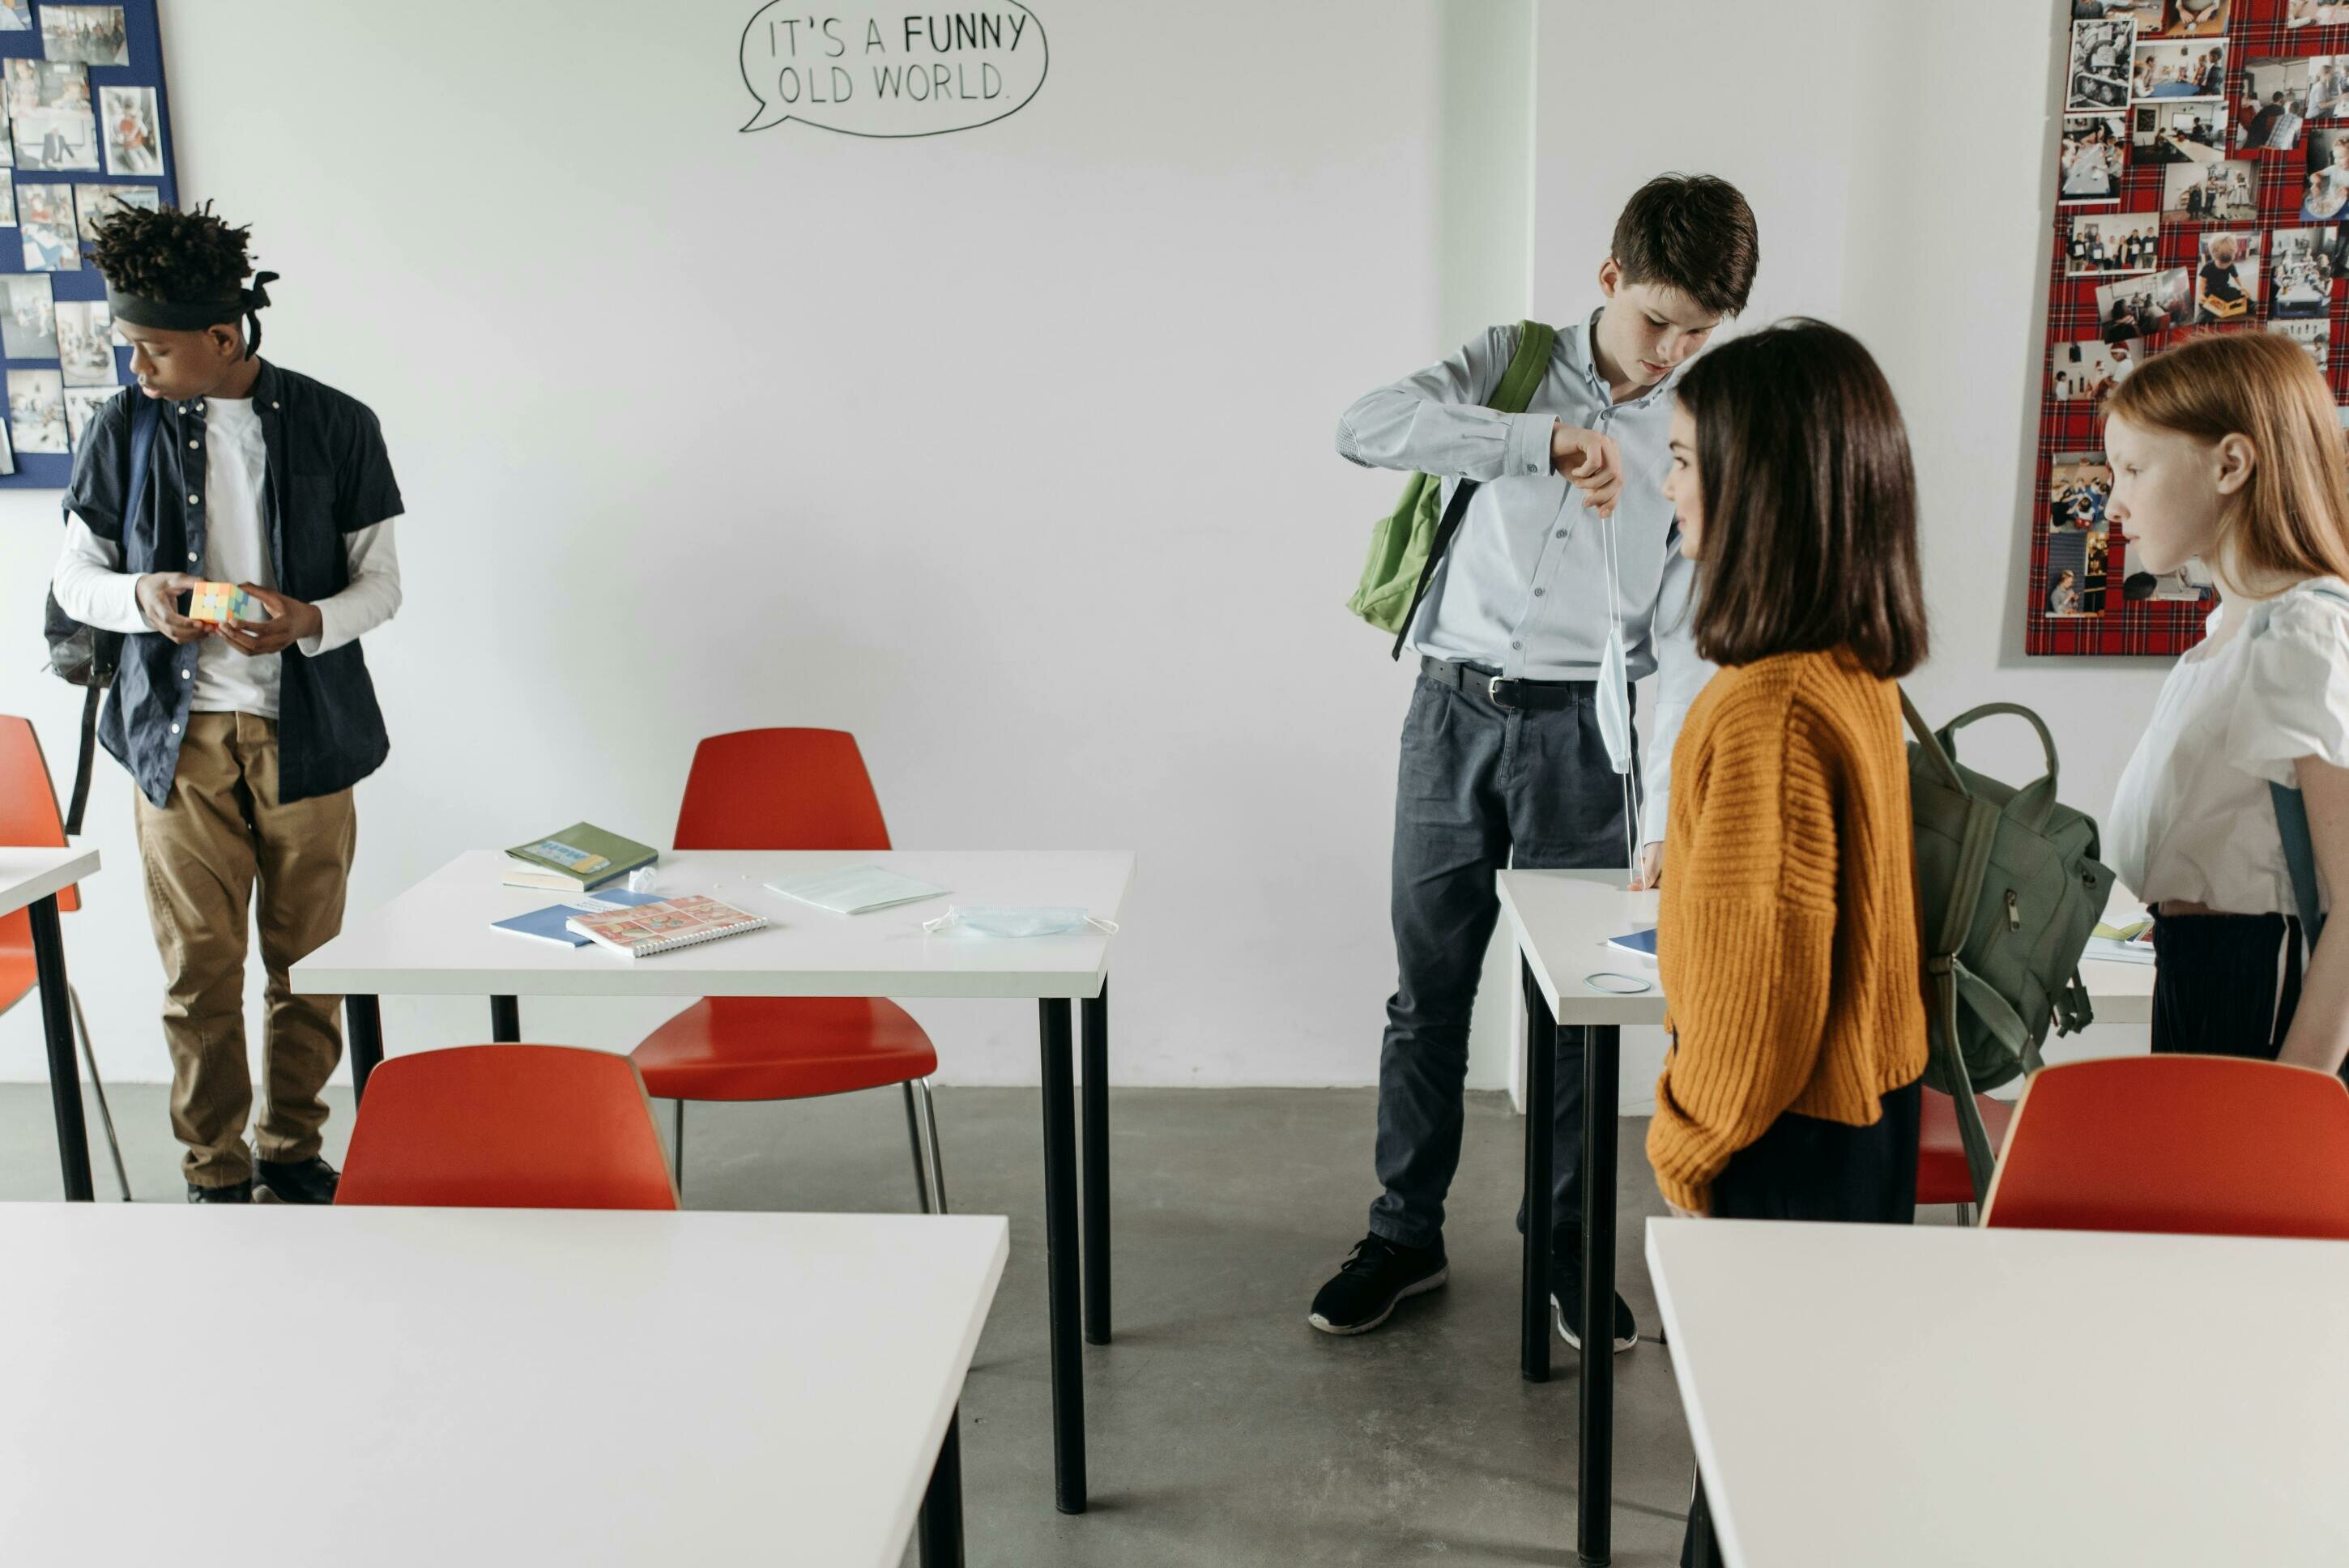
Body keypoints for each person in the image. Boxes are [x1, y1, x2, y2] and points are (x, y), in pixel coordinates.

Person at [1312, 175, 1755, 1347]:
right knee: (1429, 997)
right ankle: (1404, 1233)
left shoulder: (1698, 423)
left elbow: (1681, 632)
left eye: (1700, 334)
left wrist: (1659, 804)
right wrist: (1544, 441)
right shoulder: (1513, 359)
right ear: (1610, 281)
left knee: (1582, 1006)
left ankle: (1562, 1247)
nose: (1670, 353)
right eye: (1659, 319)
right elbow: (1365, 426)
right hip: (1450, 716)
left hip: (1587, 741)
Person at [47, 203, 406, 1203]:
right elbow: (74, 581)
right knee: (197, 973)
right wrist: (142, 598)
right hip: (175, 741)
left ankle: (293, 1152)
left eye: (153, 349)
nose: (137, 368)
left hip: (310, 733)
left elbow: (381, 586)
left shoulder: (340, 423)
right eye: (130, 348)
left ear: (222, 336)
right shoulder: (119, 429)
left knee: (311, 965)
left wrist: (306, 622)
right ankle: (215, 1171)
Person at [1647, 320, 1931, 1565]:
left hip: (1783, 1142)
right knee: (1808, 1463)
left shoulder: (1762, 705)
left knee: (1752, 1470)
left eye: (1684, 461)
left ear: (1760, 490)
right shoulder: (1850, 672)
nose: (1667, 487)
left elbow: (1759, 998)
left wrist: (1686, 1142)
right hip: (1862, 1119)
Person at [2105, 331, 2349, 1076]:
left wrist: (2296, 1096)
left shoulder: (2303, 629)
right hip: (2198, 980)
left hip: (2264, 993)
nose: (2115, 502)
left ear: (2231, 463)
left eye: (2135, 469)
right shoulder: (2219, 641)